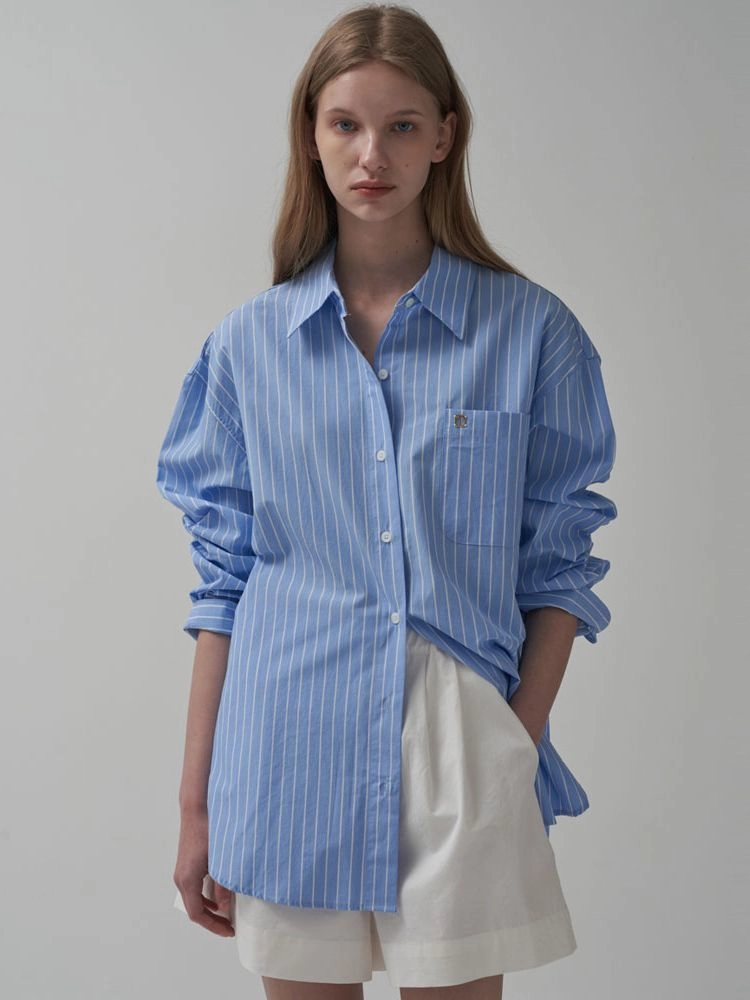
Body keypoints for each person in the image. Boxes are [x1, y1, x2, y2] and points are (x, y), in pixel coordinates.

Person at [155, 3, 617, 997]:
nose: (373, 154)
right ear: (311, 135)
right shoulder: (247, 347)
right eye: (347, 124)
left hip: (461, 737)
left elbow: (559, 564)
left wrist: (513, 741)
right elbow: (224, 585)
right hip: (287, 740)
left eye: (403, 125)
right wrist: (196, 807)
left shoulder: (532, 332)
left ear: (445, 135)